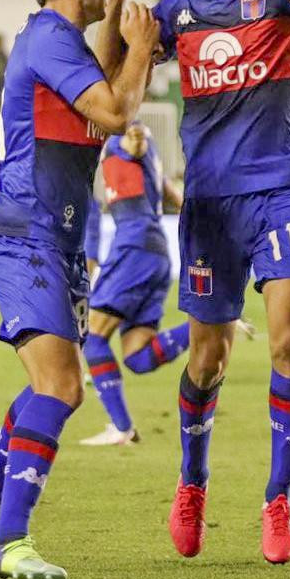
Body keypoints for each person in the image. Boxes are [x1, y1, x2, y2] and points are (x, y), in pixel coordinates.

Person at [0, 0, 160, 579]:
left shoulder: (60, 43)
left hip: (54, 237)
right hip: (29, 230)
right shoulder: (51, 43)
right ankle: (7, 540)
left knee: (54, 383)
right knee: (61, 385)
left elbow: (107, 78)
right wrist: (143, 44)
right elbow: (118, 112)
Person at [150, 0, 290, 564]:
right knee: (209, 359)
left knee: (288, 341)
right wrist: (125, 2)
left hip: (280, 188)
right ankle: (192, 483)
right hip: (208, 203)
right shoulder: (173, 9)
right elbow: (115, 63)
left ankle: (279, 499)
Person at [80, 122, 239, 445]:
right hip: (155, 253)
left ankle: (121, 427)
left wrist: (134, 133)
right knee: (137, 357)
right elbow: (171, 192)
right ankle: (216, 323)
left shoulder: (121, 135)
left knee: (93, 338)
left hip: (134, 248)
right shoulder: (144, 159)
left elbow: (135, 139)